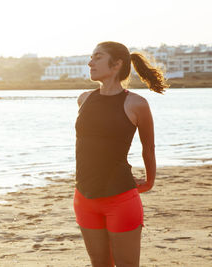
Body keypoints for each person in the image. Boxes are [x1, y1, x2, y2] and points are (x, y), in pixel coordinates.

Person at [74, 41, 169, 267]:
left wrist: (150, 181)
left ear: (116, 64)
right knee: (99, 263)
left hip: (120, 199)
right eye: (91, 57)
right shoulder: (84, 99)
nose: (90, 62)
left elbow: (149, 148)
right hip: (84, 197)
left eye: (97, 57)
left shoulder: (136, 104)